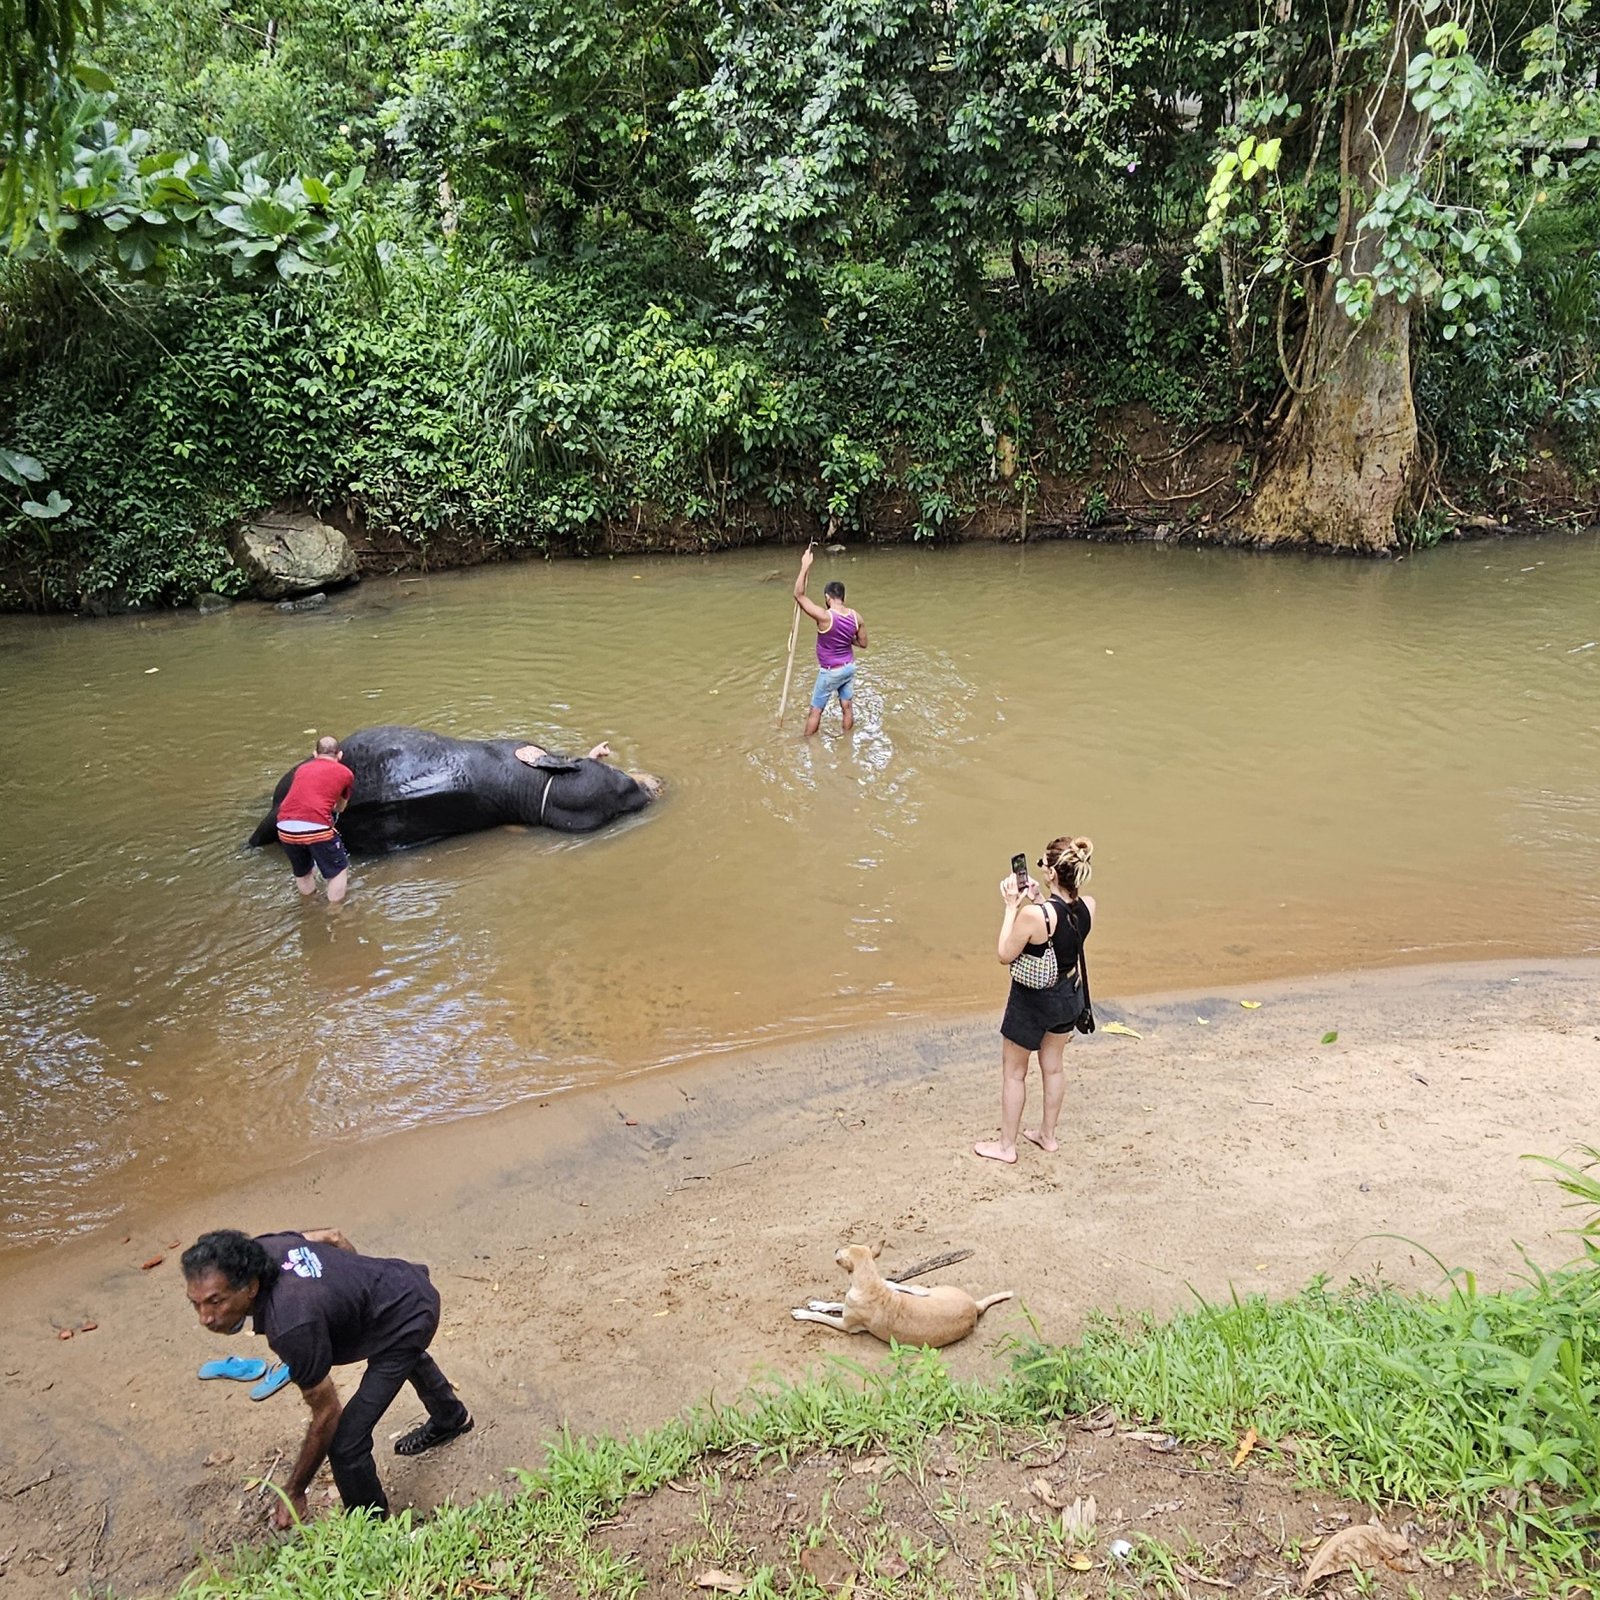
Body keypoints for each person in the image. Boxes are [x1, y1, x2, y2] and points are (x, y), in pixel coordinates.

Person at [182, 1227, 473, 1528]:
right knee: (403, 1352)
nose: (205, 1317)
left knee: (346, 1443)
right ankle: (452, 1418)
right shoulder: (262, 1249)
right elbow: (332, 1237)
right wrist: (358, 1286)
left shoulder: (291, 1325)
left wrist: (294, 1489)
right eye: (196, 1303)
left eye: (216, 1301)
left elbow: (327, 1413)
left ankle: (375, 1529)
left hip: (410, 1313)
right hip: (400, 1281)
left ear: (250, 1288)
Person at [974, 836, 1095, 1165]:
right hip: (1068, 997)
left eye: (1043, 863)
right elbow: (1063, 931)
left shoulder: (1033, 917)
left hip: (1032, 1004)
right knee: (1053, 1067)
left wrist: (1012, 907)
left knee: (1014, 1072)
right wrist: (1041, 899)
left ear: (1053, 873)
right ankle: (1048, 1136)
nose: (1039, 867)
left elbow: (1004, 954)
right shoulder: (1088, 907)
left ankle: (1006, 1146)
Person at [794, 546, 868, 736]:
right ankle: (847, 740)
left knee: (815, 710)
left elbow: (799, 595)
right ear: (843, 597)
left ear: (827, 598)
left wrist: (805, 566)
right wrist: (845, 637)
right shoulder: (856, 617)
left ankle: (807, 744)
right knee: (847, 707)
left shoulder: (824, 617)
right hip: (849, 668)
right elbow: (863, 643)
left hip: (830, 672)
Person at [275, 735, 354, 904]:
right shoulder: (345, 773)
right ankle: (335, 912)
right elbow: (340, 807)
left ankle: (309, 907)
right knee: (338, 870)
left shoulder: (302, 769)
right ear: (339, 755)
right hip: (316, 827)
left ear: (315, 754)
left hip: (284, 826)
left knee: (303, 872)